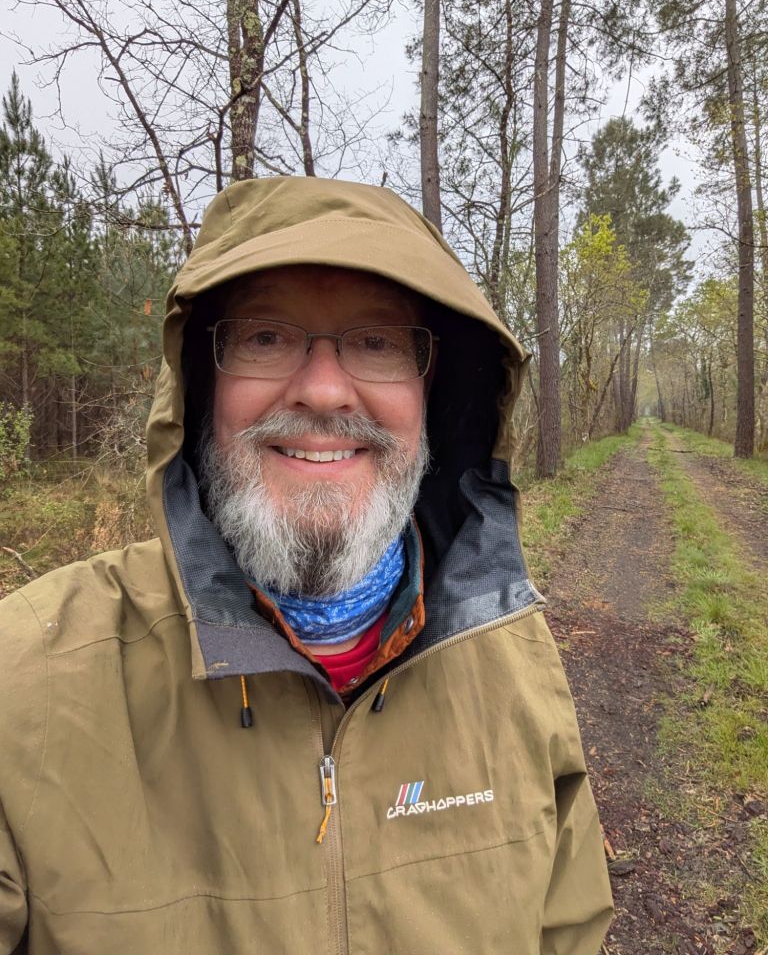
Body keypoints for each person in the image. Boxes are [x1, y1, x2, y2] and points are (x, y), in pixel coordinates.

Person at [0, 176, 613, 954]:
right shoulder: (26, 684)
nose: (324, 390)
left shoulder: (512, 656)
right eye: (266, 337)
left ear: (434, 391)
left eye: (376, 342)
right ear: (201, 384)